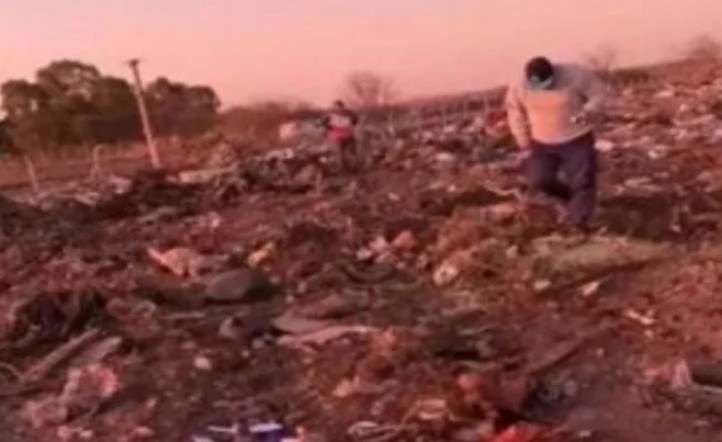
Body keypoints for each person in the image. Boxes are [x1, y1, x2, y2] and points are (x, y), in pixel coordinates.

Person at [505, 56, 607, 233]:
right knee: (539, 179)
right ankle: (572, 198)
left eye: (547, 84)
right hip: (542, 142)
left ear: (553, 73)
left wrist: (589, 110)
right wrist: (522, 139)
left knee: (583, 181)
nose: (543, 89)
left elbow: (600, 94)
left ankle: (579, 223)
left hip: (577, 138)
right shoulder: (519, 87)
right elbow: (515, 113)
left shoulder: (575, 74)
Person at [322, 100, 360, 171]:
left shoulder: (330, 114)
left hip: (335, 136)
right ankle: (353, 167)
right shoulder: (350, 113)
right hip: (348, 135)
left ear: (335, 106)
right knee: (349, 152)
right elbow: (355, 121)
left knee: (338, 153)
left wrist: (327, 129)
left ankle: (342, 169)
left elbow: (324, 123)